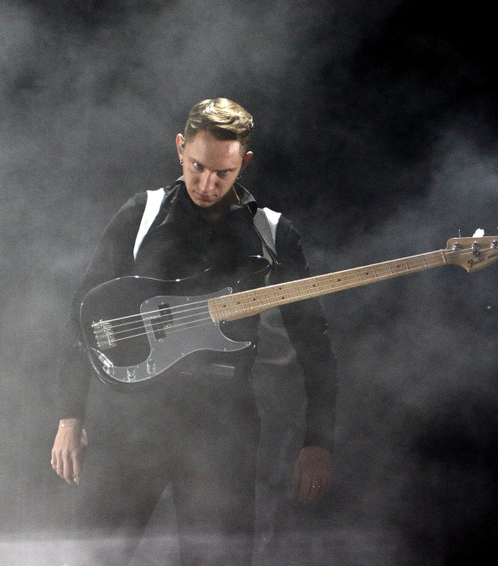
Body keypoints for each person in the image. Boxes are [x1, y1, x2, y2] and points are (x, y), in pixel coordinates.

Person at [50, 98, 338, 565]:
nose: (207, 184)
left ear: (244, 162)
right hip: (132, 425)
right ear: (180, 149)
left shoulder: (273, 233)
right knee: (93, 557)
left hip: (223, 432)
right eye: (197, 166)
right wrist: (70, 416)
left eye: (223, 173)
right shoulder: (141, 214)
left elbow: (315, 344)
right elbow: (80, 317)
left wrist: (318, 441)